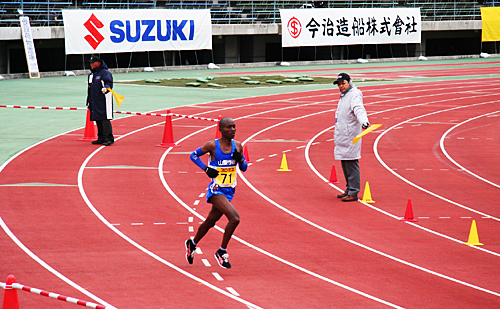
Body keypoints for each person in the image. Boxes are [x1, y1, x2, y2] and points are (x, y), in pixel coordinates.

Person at [186, 117, 248, 269]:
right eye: (228, 127)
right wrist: (206, 168)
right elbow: (193, 155)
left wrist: (240, 159)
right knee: (234, 218)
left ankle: (192, 244)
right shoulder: (212, 146)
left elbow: (245, 168)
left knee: (210, 222)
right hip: (216, 190)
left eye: (234, 127)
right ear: (220, 129)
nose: (232, 130)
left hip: (229, 191)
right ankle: (222, 251)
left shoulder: (238, 146)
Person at [333, 73, 370, 202]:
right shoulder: (344, 96)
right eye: (339, 84)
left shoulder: (354, 95)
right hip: (343, 135)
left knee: (351, 163)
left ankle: (354, 191)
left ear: (349, 82)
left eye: (343, 83)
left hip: (350, 136)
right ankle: (349, 188)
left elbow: (359, 109)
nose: (341, 86)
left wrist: (364, 121)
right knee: (344, 163)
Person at [87, 56, 114, 146]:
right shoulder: (91, 75)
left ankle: (109, 138)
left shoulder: (105, 73)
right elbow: (89, 89)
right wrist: (88, 101)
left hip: (104, 100)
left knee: (105, 119)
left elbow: (109, 83)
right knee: (97, 119)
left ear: (98, 63)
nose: (91, 64)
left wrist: (106, 88)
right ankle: (101, 137)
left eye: (92, 62)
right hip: (94, 100)